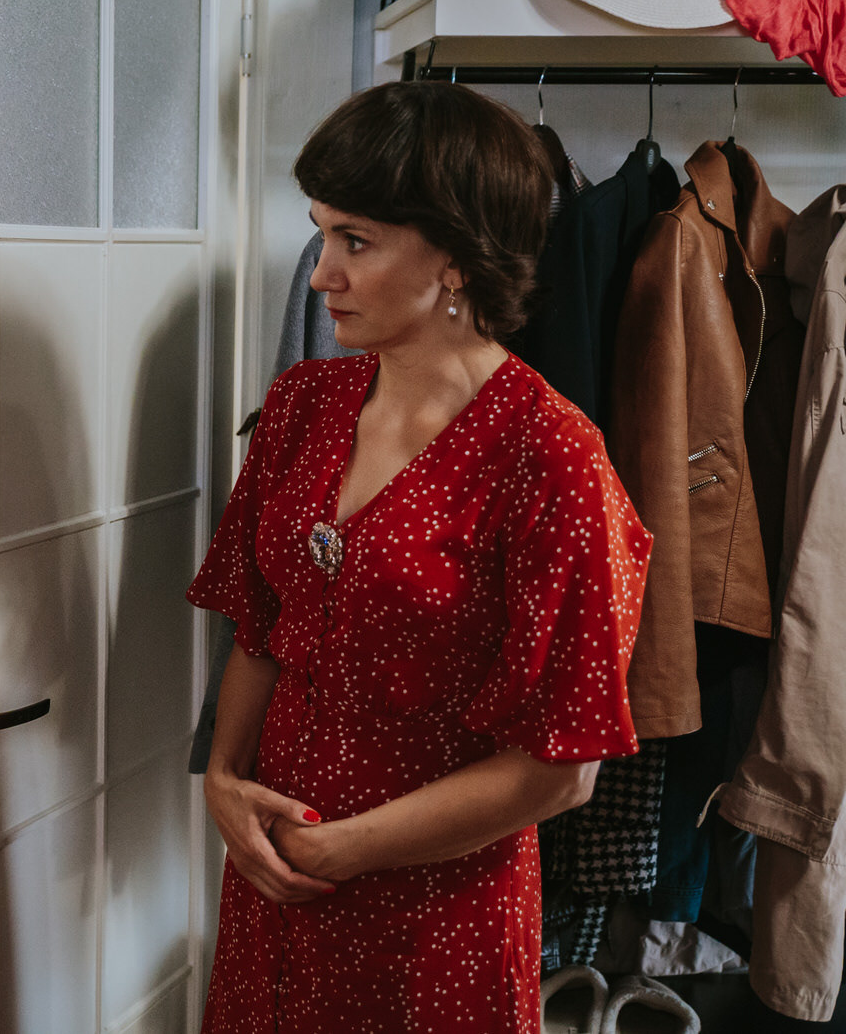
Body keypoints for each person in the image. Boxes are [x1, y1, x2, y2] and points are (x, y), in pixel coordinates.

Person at [187, 80, 653, 1032]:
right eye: (321, 235)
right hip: (276, 889)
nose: (321, 275)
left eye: (355, 242)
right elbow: (261, 626)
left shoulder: (552, 460)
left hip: (437, 921)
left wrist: (345, 849)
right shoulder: (303, 406)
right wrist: (225, 782)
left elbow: (561, 767)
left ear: (457, 257)